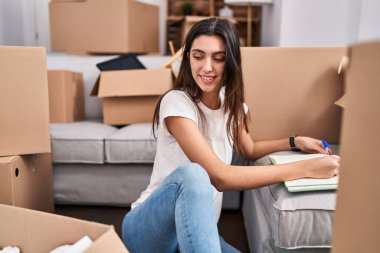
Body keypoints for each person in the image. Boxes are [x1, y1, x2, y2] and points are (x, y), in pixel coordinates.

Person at [121, 17, 340, 253]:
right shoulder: (177, 102)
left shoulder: (233, 107)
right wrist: (308, 168)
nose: (207, 67)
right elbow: (220, 177)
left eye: (219, 58)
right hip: (149, 232)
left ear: (231, 62)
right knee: (195, 175)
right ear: (188, 58)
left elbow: (250, 150)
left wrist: (296, 141)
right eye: (198, 56)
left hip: (196, 230)